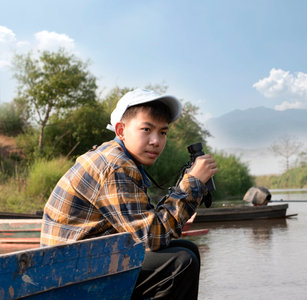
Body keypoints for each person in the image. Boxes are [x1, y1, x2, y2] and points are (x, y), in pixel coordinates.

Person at [40, 88, 218, 299]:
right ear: (121, 130)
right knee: (181, 262)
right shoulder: (116, 166)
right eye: (146, 129)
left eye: (163, 132)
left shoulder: (118, 157)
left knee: (187, 249)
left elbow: (145, 227)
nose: (156, 141)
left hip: (81, 261)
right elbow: (152, 238)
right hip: (67, 274)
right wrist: (193, 184)